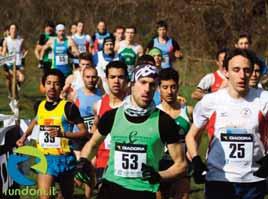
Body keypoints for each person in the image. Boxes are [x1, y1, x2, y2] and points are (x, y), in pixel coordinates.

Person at [76, 63, 187, 199]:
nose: (147, 89)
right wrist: (83, 160)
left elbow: (181, 164)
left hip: (144, 192)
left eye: (152, 84)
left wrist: (160, 176)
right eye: (143, 82)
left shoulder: (164, 122)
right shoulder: (112, 116)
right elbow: (93, 144)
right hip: (110, 189)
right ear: (133, 84)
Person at [186, 48, 268, 199]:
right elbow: (191, 136)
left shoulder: (263, 99)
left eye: (246, 70)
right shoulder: (211, 101)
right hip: (219, 180)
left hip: (253, 180)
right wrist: (196, 161)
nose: (242, 75)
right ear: (226, 71)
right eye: (236, 70)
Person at [16, 69, 88, 199]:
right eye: (49, 83)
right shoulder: (39, 105)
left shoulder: (69, 107)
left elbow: (84, 132)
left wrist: (63, 134)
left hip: (66, 159)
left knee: (66, 196)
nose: (52, 87)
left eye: (56, 83)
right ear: (44, 85)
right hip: (46, 158)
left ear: (61, 87)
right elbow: (36, 120)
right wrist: (24, 136)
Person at [157, 68, 192, 199]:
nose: (169, 91)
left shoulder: (188, 111)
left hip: (182, 167)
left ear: (178, 86)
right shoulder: (154, 113)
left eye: (173, 87)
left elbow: (195, 137)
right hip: (160, 166)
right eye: (165, 87)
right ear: (158, 88)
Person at [91, 60, 128, 185]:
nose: (116, 81)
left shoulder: (133, 105)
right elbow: (94, 135)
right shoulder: (98, 105)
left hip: (126, 163)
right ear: (106, 79)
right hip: (103, 162)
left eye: (120, 77)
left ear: (127, 80)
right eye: (112, 77)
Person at [72, 66, 102, 199]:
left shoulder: (101, 94)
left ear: (97, 78)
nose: (91, 80)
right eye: (88, 77)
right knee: (81, 165)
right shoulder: (76, 94)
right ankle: (75, 179)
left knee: (92, 166)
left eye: (93, 77)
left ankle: (88, 196)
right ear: (83, 78)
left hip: (94, 136)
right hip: (78, 136)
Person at [2, 23, 27, 98]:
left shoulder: (21, 40)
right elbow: (4, 52)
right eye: (12, 29)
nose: (14, 30)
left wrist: (23, 57)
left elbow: (26, 50)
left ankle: (16, 89)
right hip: (9, 63)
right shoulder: (6, 40)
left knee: (21, 79)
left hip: (18, 62)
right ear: (9, 30)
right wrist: (5, 59)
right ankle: (14, 97)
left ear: (17, 30)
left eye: (15, 29)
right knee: (13, 79)